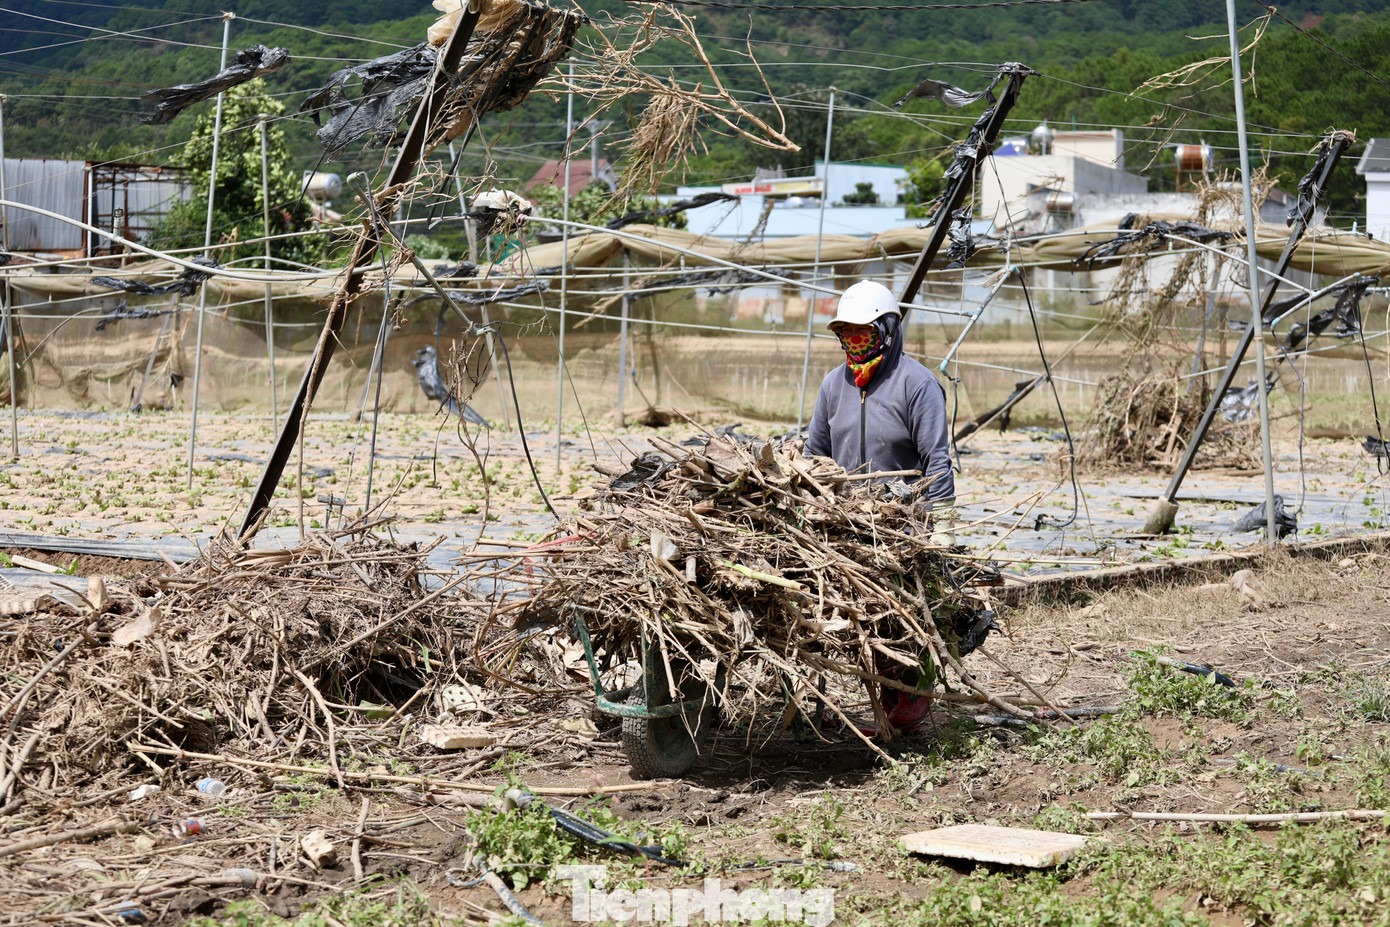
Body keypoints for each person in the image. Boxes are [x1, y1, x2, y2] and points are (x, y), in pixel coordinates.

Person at [804, 279, 955, 734]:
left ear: (887, 332)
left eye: (862, 334)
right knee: (853, 617)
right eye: (845, 335)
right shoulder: (834, 384)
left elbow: (936, 458)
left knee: (900, 616)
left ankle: (911, 692)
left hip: (901, 523)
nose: (853, 344)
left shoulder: (918, 384)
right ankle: (879, 694)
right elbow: (814, 456)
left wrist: (942, 525)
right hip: (846, 520)